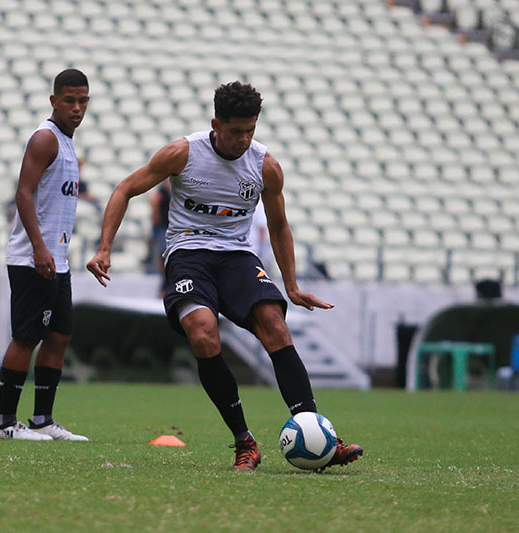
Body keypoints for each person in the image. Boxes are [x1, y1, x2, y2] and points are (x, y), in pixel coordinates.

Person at [87, 81, 363, 471]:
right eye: (236, 131)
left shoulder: (265, 166)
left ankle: (319, 437)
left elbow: (279, 226)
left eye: (251, 130)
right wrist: (104, 248)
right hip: (187, 255)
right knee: (203, 332)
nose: (244, 139)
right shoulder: (182, 153)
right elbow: (124, 189)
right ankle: (244, 442)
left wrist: (292, 285)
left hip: (236, 256)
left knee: (275, 325)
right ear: (216, 124)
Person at [0, 69, 91, 442]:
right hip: (33, 257)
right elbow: (23, 193)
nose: (77, 107)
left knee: (60, 334)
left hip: (56, 258)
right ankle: (4, 423)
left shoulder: (66, 141)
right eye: (69, 100)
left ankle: (42, 420)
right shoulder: (45, 138)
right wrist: (38, 247)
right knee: (27, 336)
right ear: (54, 101)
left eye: (83, 101)